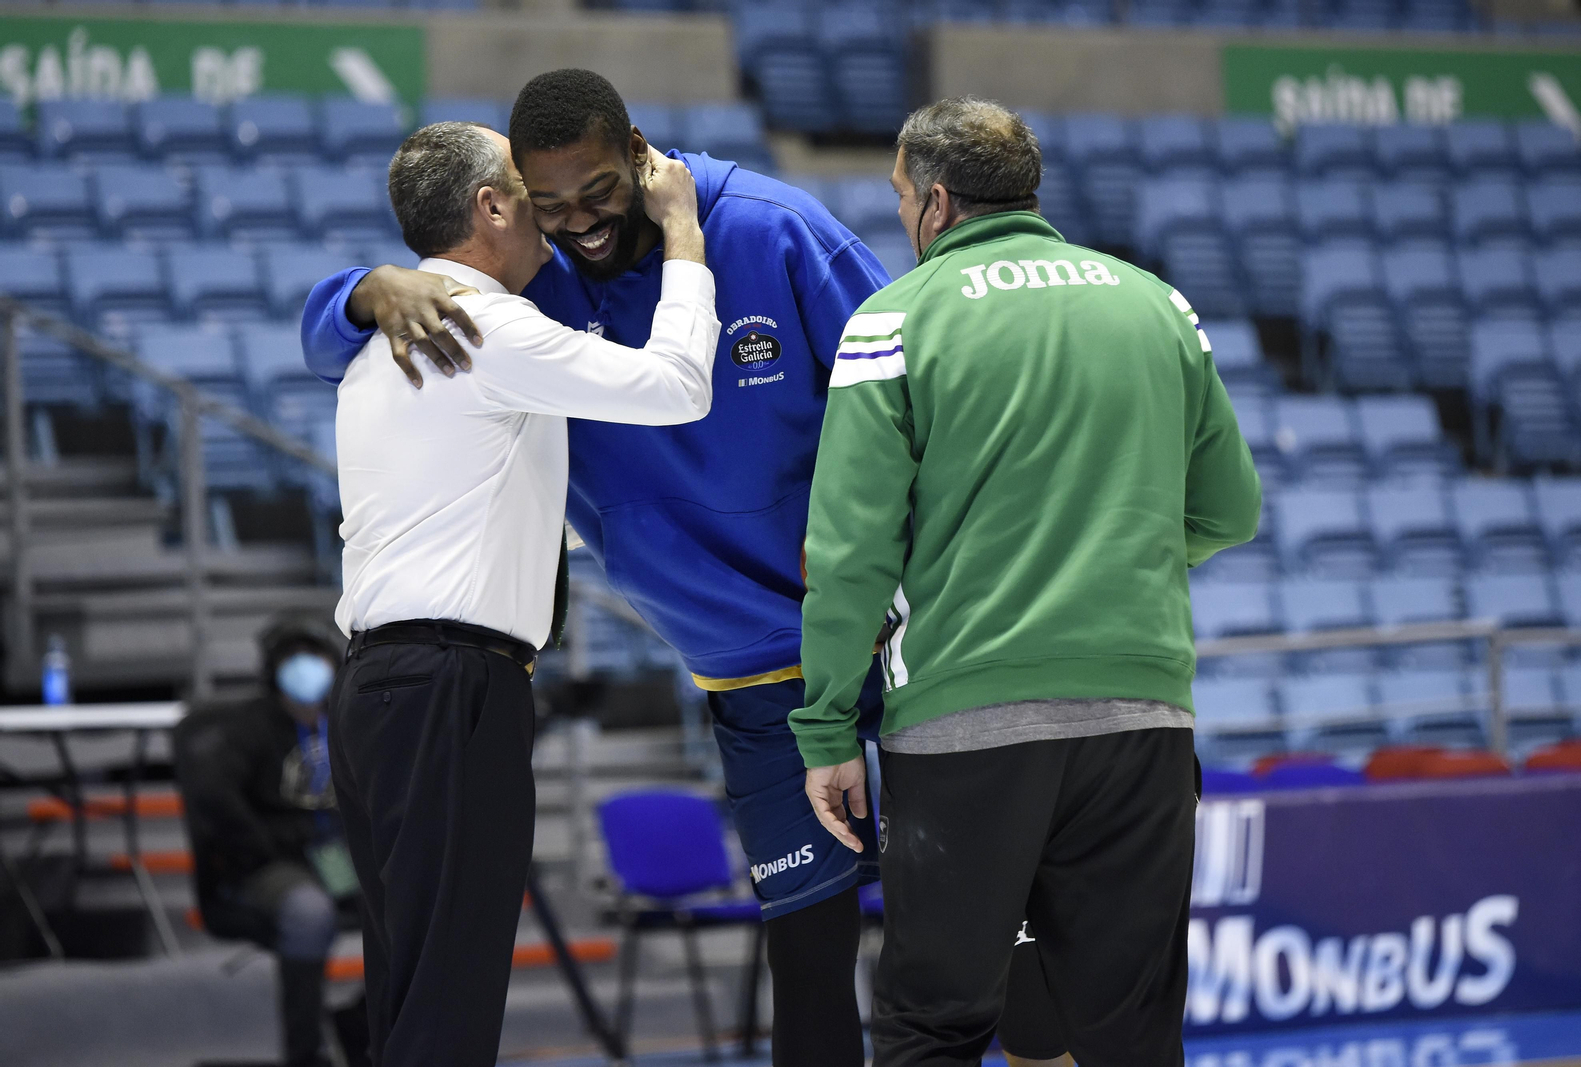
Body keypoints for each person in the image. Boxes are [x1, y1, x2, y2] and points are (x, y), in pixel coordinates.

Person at [300, 69, 891, 1067]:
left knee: (960, 935)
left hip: (885, 638)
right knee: (806, 954)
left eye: (597, 192)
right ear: (507, 203)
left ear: (638, 152)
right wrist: (361, 290)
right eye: (547, 201)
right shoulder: (510, 299)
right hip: (731, 674)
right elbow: (335, 335)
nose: (576, 221)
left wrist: (878, 539)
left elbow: (916, 389)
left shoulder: (772, 227)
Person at [793, 98, 1261, 1067]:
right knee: (1134, 1033)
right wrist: (1100, 559)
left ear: (935, 202)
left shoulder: (895, 321)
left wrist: (828, 725)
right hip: (1141, 713)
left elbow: (848, 553)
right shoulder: (1156, 304)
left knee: (934, 1025)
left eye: (901, 197)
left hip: (964, 718)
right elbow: (1230, 509)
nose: (902, 215)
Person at [327, 121, 717, 1067]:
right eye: (525, 186)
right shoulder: (488, 326)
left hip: (381, 688)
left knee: (410, 993)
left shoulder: (373, 347)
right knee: (448, 1005)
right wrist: (682, 233)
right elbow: (678, 386)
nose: (548, 206)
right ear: (490, 206)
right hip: (451, 686)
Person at [174, 615, 365, 1067]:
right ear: (273, 668)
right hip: (269, 864)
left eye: (314, 657)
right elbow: (214, 799)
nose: (306, 667)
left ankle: (363, 1028)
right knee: (309, 913)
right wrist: (269, 843)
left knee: (407, 905)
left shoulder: (348, 723)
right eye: (294, 658)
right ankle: (305, 1051)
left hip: (336, 858)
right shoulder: (245, 730)